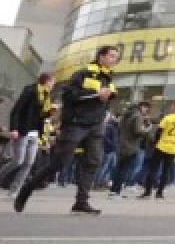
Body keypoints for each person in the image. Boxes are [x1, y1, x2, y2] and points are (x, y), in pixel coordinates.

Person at [15, 46, 119, 215]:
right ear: (101, 56)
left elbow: (104, 101)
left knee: (93, 162)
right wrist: (95, 95)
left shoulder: (109, 78)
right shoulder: (83, 73)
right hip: (76, 124)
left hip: (96, 126)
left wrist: (104, 106)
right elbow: (69, 95)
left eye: (116, 57)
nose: (115, 59)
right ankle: (27, 189)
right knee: (59, 163)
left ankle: (81, 202)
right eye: (112, 56)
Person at [0, 72, 54, 198]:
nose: (53, 85)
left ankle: (14, 190)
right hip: (23, 130)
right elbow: (16, 110)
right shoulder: (30, 91)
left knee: (29, 163)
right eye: (52, 83)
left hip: (34, 133)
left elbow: (41, 116)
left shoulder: (46, 95)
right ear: (46, 82)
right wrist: (14, 128)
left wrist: (50, 112)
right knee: (18, 160)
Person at [138, 102, 175, 199]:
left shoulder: (168, 118)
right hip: (173, 148)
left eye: (172, 107)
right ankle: (159, 193)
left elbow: (159, 132)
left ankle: (147, 192)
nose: (171, 108)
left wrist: (156, 143)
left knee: (153, 169)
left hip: (162, 146)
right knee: (166, 171)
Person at [109, 101, 152, 198]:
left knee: (119, 168)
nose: (146, 109)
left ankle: (113, 191)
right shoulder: (137, 116)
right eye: (145, 107)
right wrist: (147, 129)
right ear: (140, 107)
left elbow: (120, 128)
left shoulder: (125, 115)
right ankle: (116, 192)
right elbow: (137, 131)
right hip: (131, 145)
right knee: (124, 169)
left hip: (122, 143)